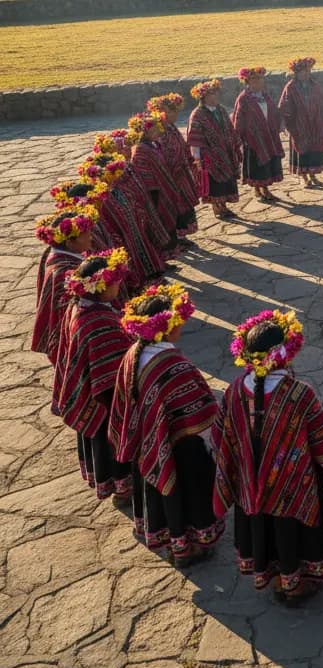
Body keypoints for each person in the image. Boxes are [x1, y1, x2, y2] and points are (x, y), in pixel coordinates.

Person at [212, 310, 323, 604]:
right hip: (295, 489)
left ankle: (275, 579)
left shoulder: (234, 391)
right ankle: (295, 585)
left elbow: (221, 437)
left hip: (251, 488)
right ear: (285, 353)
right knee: (291, 533)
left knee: (265, 530)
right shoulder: (300, 394)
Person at [108, 283, 223, 567]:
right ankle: (189, 548)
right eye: (178, 321)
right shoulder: (173, 365)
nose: (182, 325)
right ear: (167, 327)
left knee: (160, 494)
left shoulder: (132, 354)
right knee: (187, 496)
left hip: (150, 446)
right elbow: (202, 410)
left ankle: (172, 542)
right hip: (183, 451)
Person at [54, 249, 135, 503]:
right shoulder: (98, 322)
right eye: (115, 282)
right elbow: (114, 363)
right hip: (104, 396)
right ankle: (122, 486)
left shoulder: (79, 306)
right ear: (101, 287)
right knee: (110, 438)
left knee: (101, 437)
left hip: (90, 390)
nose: (119, 287)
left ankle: (112, 482)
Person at [79, 152, 165, 289]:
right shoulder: (98, 200)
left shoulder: (118, 188)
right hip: (121, 238)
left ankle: (150, 275)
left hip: (135, 230)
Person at [32, 206, 98, 366]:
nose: (91, 238)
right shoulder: (65, 273)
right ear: (69, 242)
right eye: (86, 235)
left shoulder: (61, 255)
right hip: (70, 337)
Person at [127, 111, 191, 253]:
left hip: (165, 188)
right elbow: (142, 172)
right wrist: (154, 188)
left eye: (158, 129)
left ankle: (173, 247)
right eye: (155, 130)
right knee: (161, 221)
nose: (158, 132)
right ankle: (164, 251)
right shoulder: (140, 150)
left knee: (169, 218)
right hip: (155, 192)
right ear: (145, 132)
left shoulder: (154, 144)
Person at [186, 79, 242, 221]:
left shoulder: (221, 110)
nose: (216, 96)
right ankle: (216, 206)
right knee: (215, 183)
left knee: (226, 181)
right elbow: (194, 138)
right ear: (203, 97)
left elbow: (230, 128)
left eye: (216, 93)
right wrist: (197, 158)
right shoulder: (197, 115)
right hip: (209, 156)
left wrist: (235, 146)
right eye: (212, 94)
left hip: (226, 152)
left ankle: (223, 205)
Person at [147, 93, 200, 240]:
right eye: (171, 111)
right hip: (169, 176)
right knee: (174, 206)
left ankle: (183, 235)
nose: (175, 114)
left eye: (176, 111)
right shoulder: (158, 132)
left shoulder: (171, 127)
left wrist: (189, 159)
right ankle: (177, 236)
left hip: (180, 174)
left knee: (184, 204)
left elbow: (181, 145)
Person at [232, 66, 285, 201]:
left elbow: (274, 111)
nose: (259, 82)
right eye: (255, 80)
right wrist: (240, 137)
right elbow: (238, 119)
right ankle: (258, 189)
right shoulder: (243, 99)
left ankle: (265, 189)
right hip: (253, 139)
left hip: (268, 136)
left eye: (261, 79)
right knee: (257, 165)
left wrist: (279, 124)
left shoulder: (265, 96)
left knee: (267, 163)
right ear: (248, 82)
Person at [278, 57, 323, 187]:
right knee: (302, 149)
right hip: (299, 125)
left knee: (314, 149)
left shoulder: (314, 85)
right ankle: (303, 176)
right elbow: (284, 106)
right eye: (304, 71)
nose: (307, 74)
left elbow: (322, 101)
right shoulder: (290, 87)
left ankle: (313, 174)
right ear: (296, 73)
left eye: (308, 71)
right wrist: (285, 122)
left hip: (315, 123)